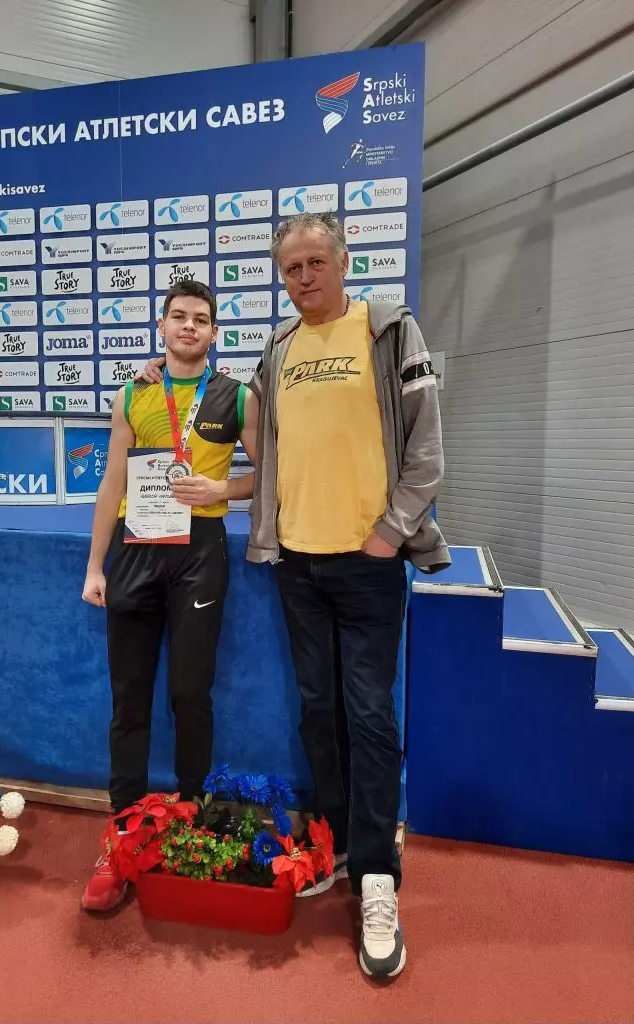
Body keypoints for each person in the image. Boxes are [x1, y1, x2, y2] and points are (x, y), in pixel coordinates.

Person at [137, 211, 449, 980]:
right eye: (291, 268)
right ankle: (338, 843)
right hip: (298, 565)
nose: (303, 277)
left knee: (368, 714)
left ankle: (377, 877)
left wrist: (390, 532)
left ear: (343, 261)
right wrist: (159, 372)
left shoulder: (387, 329)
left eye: (315, 262)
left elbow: (427, 450)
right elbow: (243, 422)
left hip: (369, 562)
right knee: (319, 710)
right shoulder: (279, 347)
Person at [80, 279, 259, 912]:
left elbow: (271, 472)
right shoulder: (134, 392)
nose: (188, 327)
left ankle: (191, 823)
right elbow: (111, 480)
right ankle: (122, 837)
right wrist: (95, 565)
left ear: (214, 332)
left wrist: (222, 490)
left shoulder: (237, 395)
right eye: (178, 316)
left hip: (199, 555)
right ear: (161, 326)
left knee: (190, 694)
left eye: (200, 319)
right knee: (128, 700)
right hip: (136, 548)